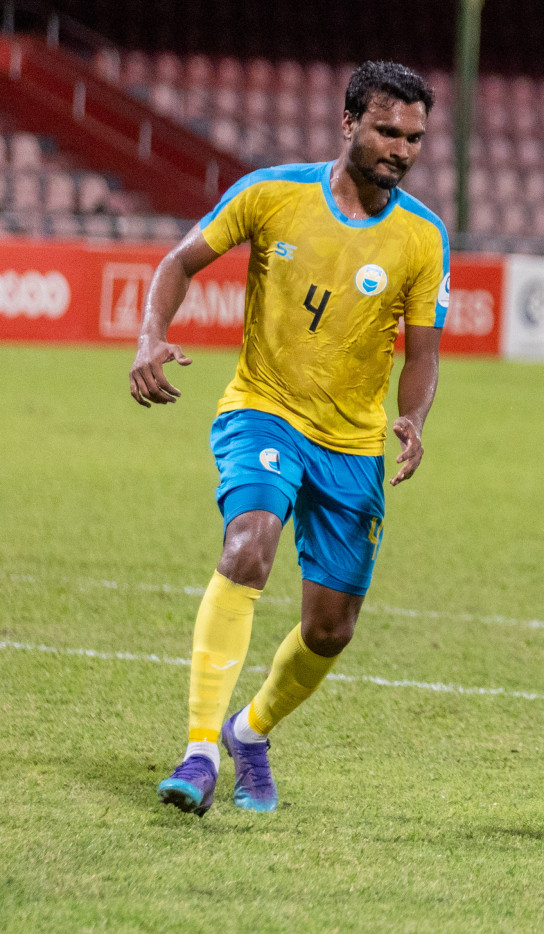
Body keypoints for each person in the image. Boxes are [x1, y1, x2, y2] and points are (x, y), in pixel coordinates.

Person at [130, 60, 449, 815]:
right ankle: (201, 749)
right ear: (348, 123)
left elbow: (424, 350)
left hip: (351, 443)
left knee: (330, 629)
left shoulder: (422, 237)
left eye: (414, 138)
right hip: (264, 408)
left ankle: (251, 730)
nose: (400, 149)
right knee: (247, 545)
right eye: (385, 130)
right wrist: (150, 337)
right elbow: (179, 262)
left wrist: (412, 419)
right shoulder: (272, 193)